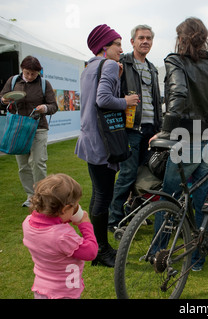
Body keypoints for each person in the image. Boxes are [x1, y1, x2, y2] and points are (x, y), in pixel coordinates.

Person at [150, 17, 208, 271]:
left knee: (169, 198)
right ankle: (196, 259)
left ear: (181, 38)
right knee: (202, 202)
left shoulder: (176, 61)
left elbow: (178, 95)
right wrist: (206, 128)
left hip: (186, 140)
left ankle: (157, 252)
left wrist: (165, 131)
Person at [75, 24, 140, 267]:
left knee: (98, 194)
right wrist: (127, 100)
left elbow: (95, 99)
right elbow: (103, 100)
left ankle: (95, 244)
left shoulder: (89, 67)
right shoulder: (110, 65)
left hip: (90, 139)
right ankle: (101, 250)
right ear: (104, 47)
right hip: (103, 142)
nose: (121, 50)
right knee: (104, 195)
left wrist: (118, 80)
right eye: (117, 45)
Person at [108, 24, 162, 231]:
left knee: (144, 175)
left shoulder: (152, 68)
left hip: (151, 130)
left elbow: (156, 101)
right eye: (141, 38)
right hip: (131, 129)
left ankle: (135, 213)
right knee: (128, 174)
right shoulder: (122, 63)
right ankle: (114, 220)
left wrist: (159, 127)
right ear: (133, 41)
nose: (145, 41)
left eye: (149, 38)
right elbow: (110, 94)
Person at [22, 174, 98, 299]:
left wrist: (63, 220)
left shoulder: (28, 223)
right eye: (74, 207)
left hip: (42, 290)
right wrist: (85, 225)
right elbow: (90, 252)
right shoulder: (63, 236)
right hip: (64, 292)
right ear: (66, 208)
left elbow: (48, 227)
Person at [0, 56, 58, 207]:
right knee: (23, 165)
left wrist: (44, 108)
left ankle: (41, 197)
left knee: (38, 162)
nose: (30, 76)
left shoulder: (44, 84)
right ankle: (31, 196)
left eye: (33, 74)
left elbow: (53, 106)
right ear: (22, 70)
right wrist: (4, 100)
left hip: (38, 127)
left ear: (38, 72)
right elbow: (2, 97)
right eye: (27, 73)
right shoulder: (13, 81)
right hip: (18, 128)